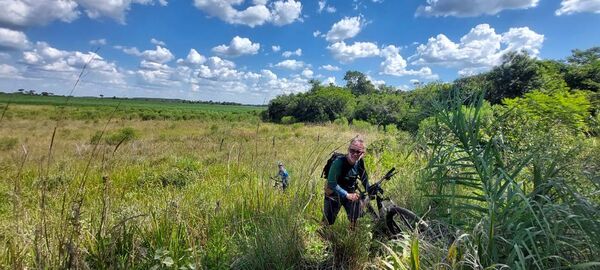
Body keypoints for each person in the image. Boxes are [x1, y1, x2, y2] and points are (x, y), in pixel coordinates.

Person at [323, 137, 369, 226]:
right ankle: (321, 236)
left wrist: (369, 188)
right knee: (327, 222)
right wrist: (346, 195)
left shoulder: (359, 162)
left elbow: (364, 178)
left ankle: (352, 238)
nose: (355, 154)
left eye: (358, 152)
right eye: (352, 150)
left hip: (350, 192)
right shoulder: (338, 162)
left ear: (363, 153)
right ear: (348, 149)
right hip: (334, 193)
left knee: (354, 219)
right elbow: (332, 183)